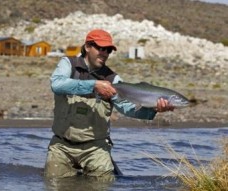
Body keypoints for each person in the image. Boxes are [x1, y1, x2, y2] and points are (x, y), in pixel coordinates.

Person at [44, 29, 173, 180]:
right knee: (54, 184)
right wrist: (93, 85)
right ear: (87, 47)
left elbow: (127, 108)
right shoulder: (68, 64)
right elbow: (57, 84)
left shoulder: (113, 79)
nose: (104, 53)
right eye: (100, 48)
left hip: (96, 148)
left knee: (103, 185)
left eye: (108, 50)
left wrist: (153, 110)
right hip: (61, 146)